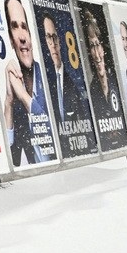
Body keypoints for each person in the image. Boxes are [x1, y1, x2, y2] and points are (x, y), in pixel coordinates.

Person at [1, 0, 53, 165]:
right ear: (9, 38)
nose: (22, 37)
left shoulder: (49, 78)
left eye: (24, 27)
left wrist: (24, 97)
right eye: (15, 27)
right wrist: (9, 101)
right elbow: (6, 153)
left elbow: (54, 133)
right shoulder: (15, 88)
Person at [41, 12, 98, 155]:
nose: (53, 44)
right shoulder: (46, 82)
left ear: (60, 41)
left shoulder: (72, 81)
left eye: (55, 37)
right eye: (48, 37)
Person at [84, 11, 127, 150]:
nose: (97, 55)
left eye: (97, 45)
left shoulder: (117, 81)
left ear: (103, 48)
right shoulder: (92, 90)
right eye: (92, 46)